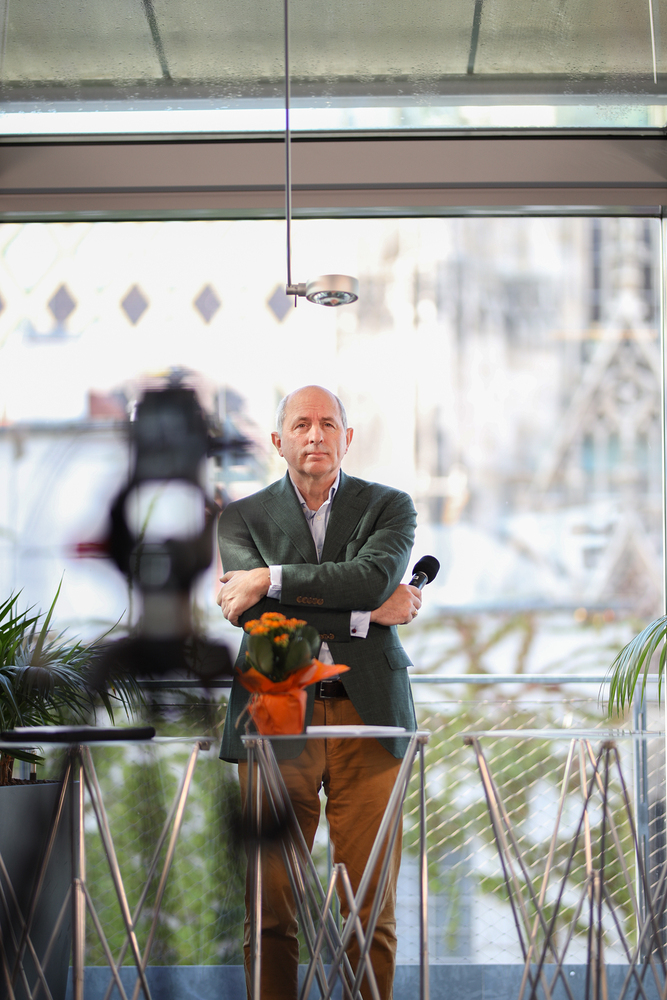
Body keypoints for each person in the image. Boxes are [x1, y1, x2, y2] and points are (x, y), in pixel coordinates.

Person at [217, 385, 422, 1000]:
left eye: (328, 424)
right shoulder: (241, 519)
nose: (315, 434)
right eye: (301, 424)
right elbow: (258, 620)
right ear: (277, 441)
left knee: (370, 909)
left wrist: (270, 578)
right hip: (275, 719)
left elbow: (372, 577)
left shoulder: (388, 507)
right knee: (270, 910)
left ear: (347, 438)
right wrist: (366, 615)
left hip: (371, 719)